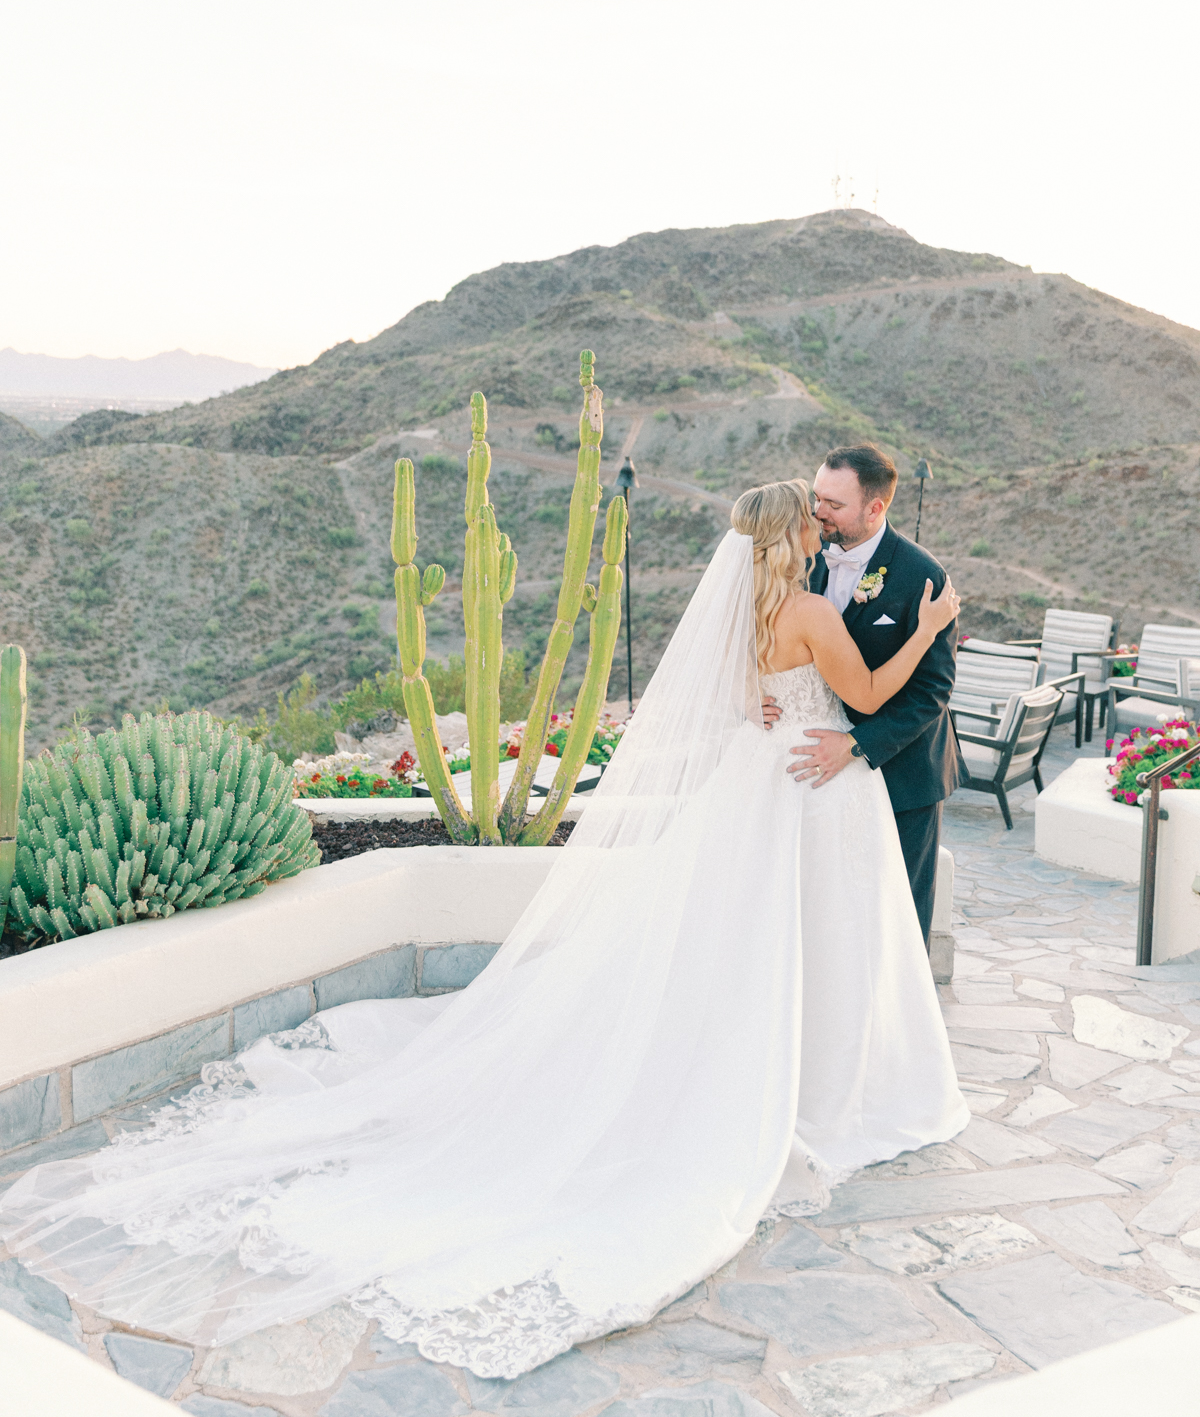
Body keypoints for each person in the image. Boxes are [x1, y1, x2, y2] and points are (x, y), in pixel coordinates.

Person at [0, 481, 967, 1380]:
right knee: (809, 944)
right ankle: (818, 1079)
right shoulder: (804, 611)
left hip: (753, 785)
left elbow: (737, 699)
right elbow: (873, 698)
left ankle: (760, 1063)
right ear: (794, 535)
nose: (824, 528)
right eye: (815, 519)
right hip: (804, 790)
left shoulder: (749, 619)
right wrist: (926, 629)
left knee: (749, 948)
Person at [763, 443, 966, 946]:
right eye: (816, 498)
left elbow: (933, 690)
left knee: (896, 916)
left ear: (876, 508)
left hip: (901, 772)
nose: (818, 512)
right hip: (816, 776)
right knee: (831, 913)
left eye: (834, 504)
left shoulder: (921, 576)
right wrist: (751, 696)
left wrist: (857, 744)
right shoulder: (799, 558)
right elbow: (761, 643)